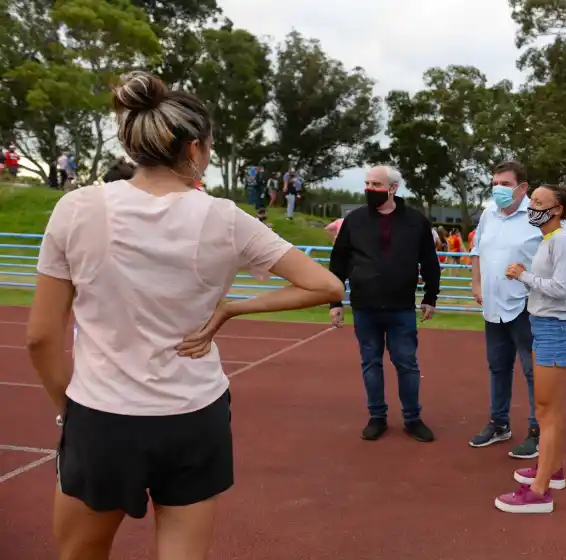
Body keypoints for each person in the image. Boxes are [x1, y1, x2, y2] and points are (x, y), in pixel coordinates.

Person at [25, 71, 345, 560]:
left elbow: (42, 338)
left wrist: (69, 411)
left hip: (102, 417)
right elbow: (325, 285)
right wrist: (233, 308)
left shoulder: (75, 209)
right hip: (194, 416)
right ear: (194, 149)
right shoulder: (226, 217)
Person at [328, 165, 440, 443]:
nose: (369, 189)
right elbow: (338, 261)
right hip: (365, 307)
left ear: (393, 188)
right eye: (367, 183)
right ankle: (377, 417)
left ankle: (412, 419)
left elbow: (429, 260)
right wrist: (334, 300)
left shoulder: (416, 221)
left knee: (407, 364)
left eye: (376, 184)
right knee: (370, 363)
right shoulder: (354, 221)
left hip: (401, 307)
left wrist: (430, 296)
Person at [495, 184, 566, 514]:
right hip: (546, 327)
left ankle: (539, 491)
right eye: (531, 200)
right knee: (549, 409)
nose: (530, 205)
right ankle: (551, 469)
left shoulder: (563, 240)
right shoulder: (553, 239)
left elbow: (561, 289)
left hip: (556, 329)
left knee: (546, 411)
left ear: (556, 209)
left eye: (537, 201)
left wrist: (524, 276)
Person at [468, 161, 542, 460]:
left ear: (522, 188)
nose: (498, 189)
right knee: (497, 367)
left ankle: (538, 432)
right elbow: (476, 252)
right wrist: (476, 285)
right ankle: (499, 424)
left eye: (505, 184)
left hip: (526, 307)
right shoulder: (488, 215)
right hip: (493, 307)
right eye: (495, 183)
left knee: (533, 372)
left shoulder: (537, 218)